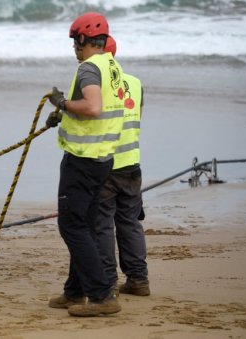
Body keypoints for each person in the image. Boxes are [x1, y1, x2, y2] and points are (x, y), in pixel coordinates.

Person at [46, 12, 125, 317]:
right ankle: (75, 292)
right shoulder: (111, 66)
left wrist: (63, 104)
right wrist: (66, 113)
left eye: (74, 42)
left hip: (83, 160)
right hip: (103, 158)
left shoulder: (89, 69)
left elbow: (93, 106)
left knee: (71, 225)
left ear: (82, 39)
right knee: (86, 225)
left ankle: (101, 295)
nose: (73, 49)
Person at [95, 36, 150, 296]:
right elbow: (137, 116)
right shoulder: (136, 84)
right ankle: (138, 280)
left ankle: (107, 283)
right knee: (129, 223)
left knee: (102, 225)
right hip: (131, 164)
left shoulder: (95, 85)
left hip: (105, 165)